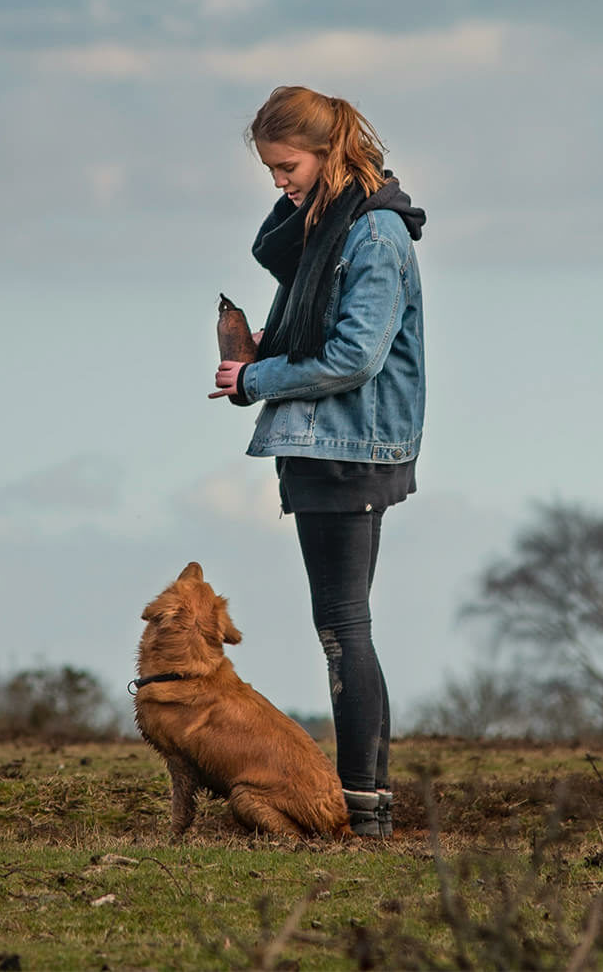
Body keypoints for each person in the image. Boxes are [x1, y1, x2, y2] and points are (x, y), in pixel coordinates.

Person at [209, 85, 426, 838]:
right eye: (270, 170)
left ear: (328, 151)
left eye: (286, 165)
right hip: (324, 444)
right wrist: (259, 353)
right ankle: (368, 803)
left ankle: (362, 806)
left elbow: (354, 357)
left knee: (342, 627)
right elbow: (318, 332)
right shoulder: (327, 228)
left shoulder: (372, 235)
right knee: (342, 624)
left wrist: (256, 378)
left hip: (351, 447)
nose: (279, 182)